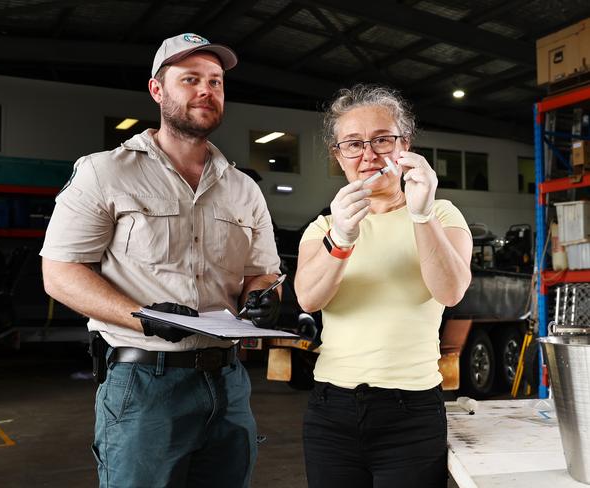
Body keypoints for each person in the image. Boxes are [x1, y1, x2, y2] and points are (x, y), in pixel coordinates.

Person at [40, 33, 282, 488]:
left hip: (228, 384)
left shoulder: (243, 188)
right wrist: (144, 317)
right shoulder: (104, 171)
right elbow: (60, 273)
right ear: (157, 90)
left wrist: (263, 298)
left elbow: (261, 272)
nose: (206, 91)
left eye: (215, 81)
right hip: (143, 382)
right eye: (190, 79)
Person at [294, 84, 472, 488]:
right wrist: (341, 238)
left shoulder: (441, 213)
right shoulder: (324, 226)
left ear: (405, 145)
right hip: (331, 410)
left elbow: (451, 291)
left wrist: (421, 214)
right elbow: (308, 297)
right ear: (338, 156)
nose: (369, 155)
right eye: (353, 144)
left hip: (410, 411)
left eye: (382, 140)